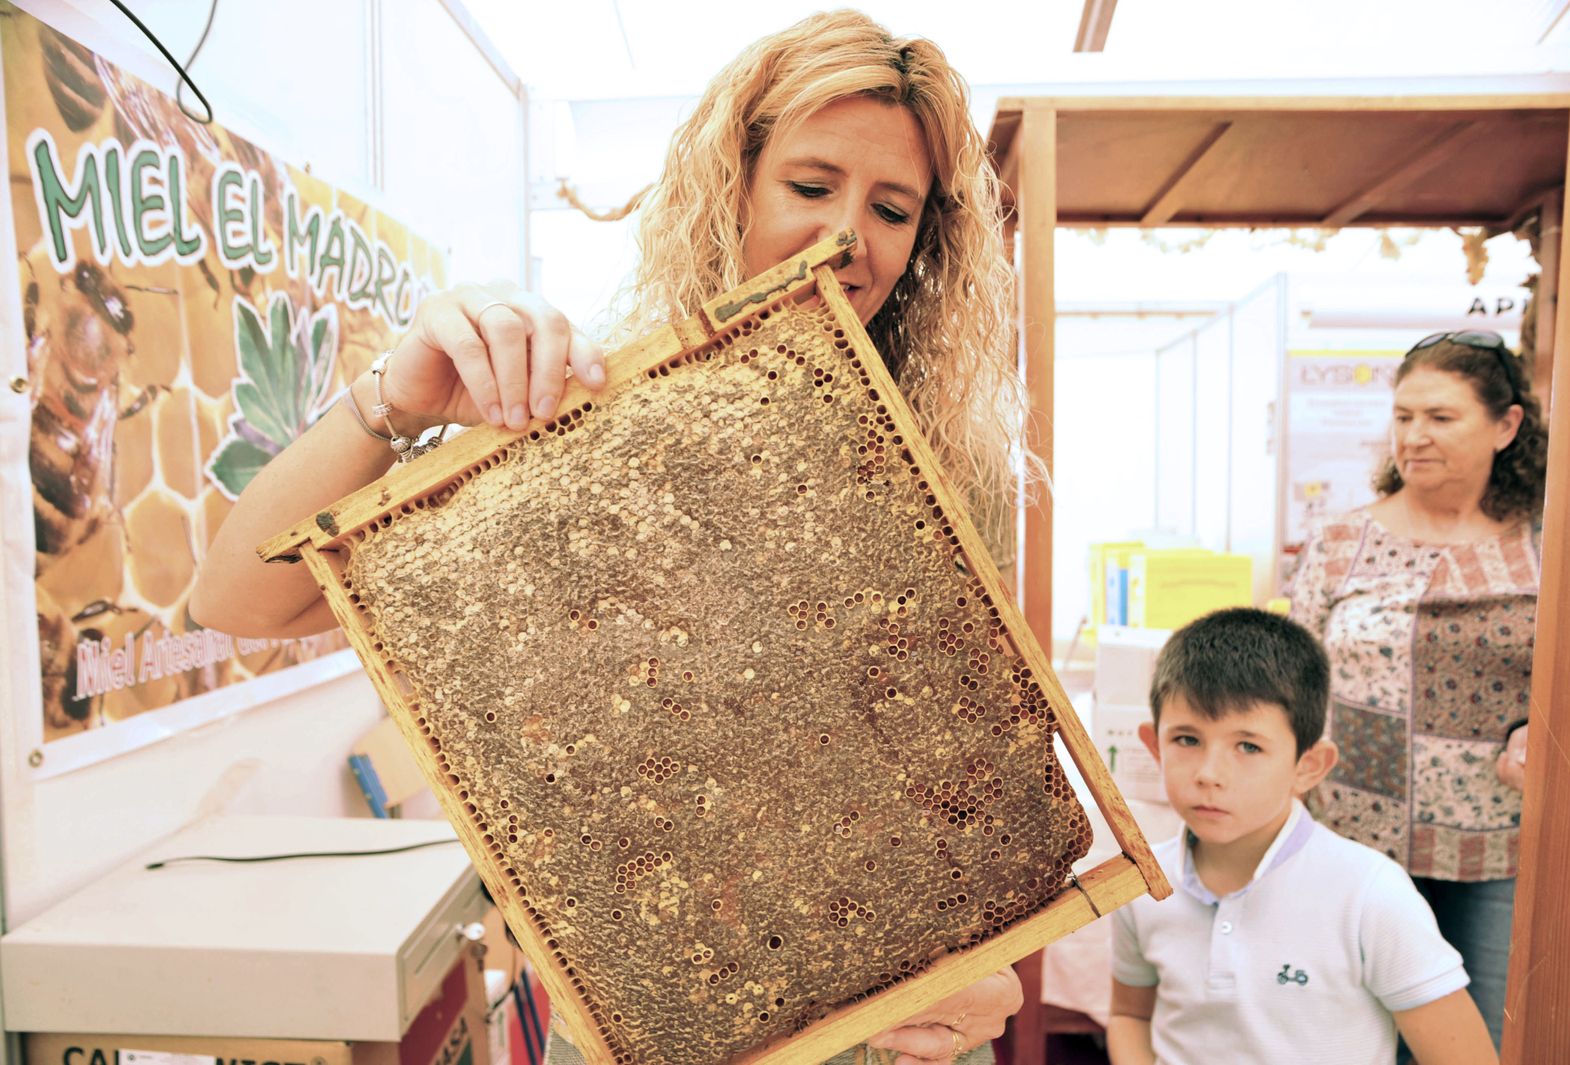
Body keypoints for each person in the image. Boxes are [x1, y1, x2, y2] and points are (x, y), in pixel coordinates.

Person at [192, 11, 1030, 1065]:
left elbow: (975, 776)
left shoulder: (948, 472)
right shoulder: (584, 428)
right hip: (653, 1021)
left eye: (892, 208)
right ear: (734, 182)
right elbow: (239, 602)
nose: (846, 239)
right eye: (811, 187)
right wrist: (397, 397)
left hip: (885, 1027)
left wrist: (988, 966)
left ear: (924, 243)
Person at [1287, 329, 1546, 1050]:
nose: (1415, 436)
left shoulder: (1549, 542)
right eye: (1403, 417)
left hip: (1498, 846)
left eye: (1440, 417)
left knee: (1477, 1040)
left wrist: (1542, 729)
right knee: (1357, 1039)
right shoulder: (1342, 542)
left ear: (1506, 425)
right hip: (1356, 845)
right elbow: (1289, 681)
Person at [1106, 608, 1497, 1065]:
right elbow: (1130, 1016)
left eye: (1248, 746)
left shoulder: (1372, 894)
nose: (1209, 774)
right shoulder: (1142, 884)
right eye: (1187, 740)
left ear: (1308, 766)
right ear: (1155, 746)